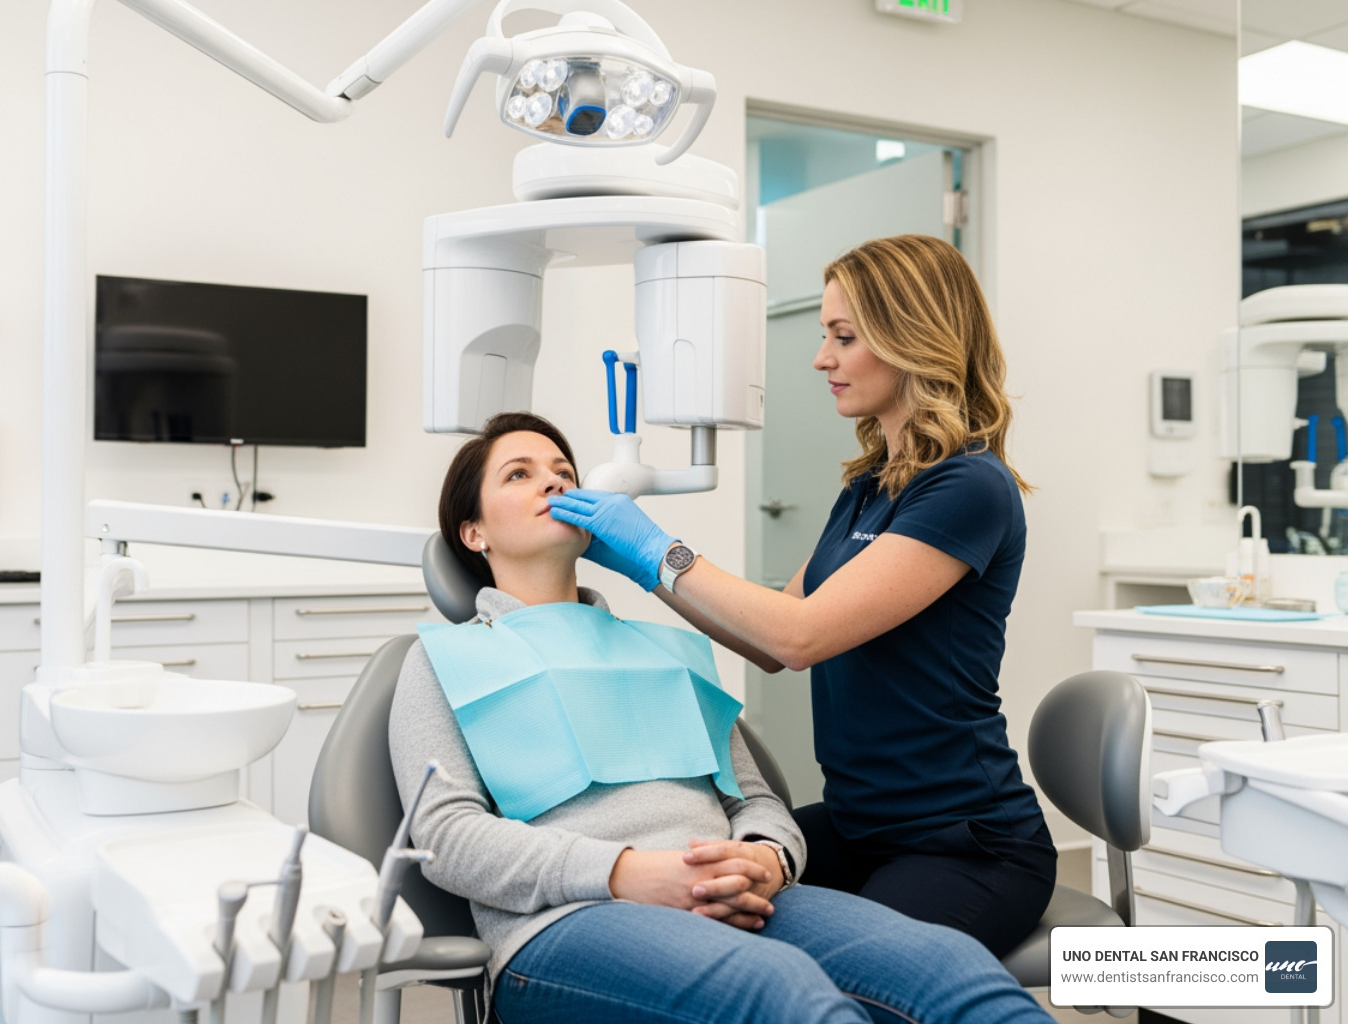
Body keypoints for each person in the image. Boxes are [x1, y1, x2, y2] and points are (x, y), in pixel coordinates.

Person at [389, 410, 1054, 1024]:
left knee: (951, 969)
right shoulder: (444, 660)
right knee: (786, 992)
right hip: (569, 919)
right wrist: (625, 872)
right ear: (472, 531)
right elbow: (446, 838)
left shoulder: (661, 647)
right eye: (520, 474)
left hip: (732, 894)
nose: (554, 482)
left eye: (564, 470)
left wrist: (768, 857)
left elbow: (753, 798)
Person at [546, 234, 1056, 957]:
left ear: (910, 338)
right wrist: (643, 568)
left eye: (843, 337)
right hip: (858, 824)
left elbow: (801, 636)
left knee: (845, 976)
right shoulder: (869, 486)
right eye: (826, 336)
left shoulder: (968, 487)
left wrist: (660, 548)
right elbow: (769, 638)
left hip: (963, 845)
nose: (822, 358)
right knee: (700, 900)